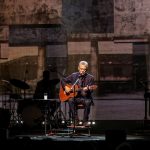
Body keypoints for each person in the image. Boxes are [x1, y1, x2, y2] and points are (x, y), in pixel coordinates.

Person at [60, 61, 96, 126]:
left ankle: (85, 121)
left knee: (88, 102)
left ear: (86, 69)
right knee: (70, 100)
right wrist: (65, 87)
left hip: (84, 98)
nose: (82, 71)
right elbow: (63, 80)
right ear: (78, 68)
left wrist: (87, 89)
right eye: (81, 69)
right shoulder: (74, 75)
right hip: (75, 97)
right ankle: (75, 119)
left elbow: (91, 91)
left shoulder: (90, 78)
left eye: (84, 69)